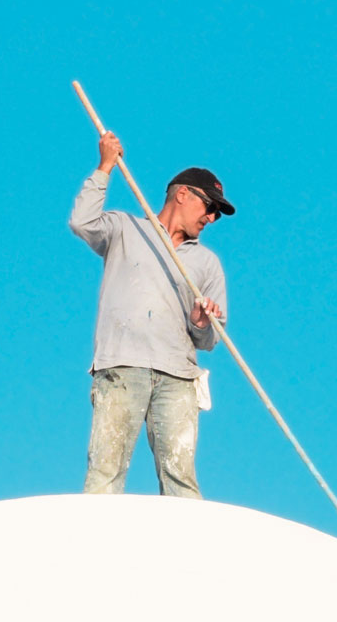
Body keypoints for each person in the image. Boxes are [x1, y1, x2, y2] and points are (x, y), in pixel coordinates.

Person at [69, 129, 234, 496]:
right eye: (209, 207)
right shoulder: (126, 229)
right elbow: (82, 222)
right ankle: (93, 549)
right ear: (182, 194)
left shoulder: (207, 263)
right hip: (121, 367)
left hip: (177, 377)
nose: (210, 218)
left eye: (216, 214)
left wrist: (201, 322)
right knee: (105, 474)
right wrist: (105, 167)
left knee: (181, 480)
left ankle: (187, 551)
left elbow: (209, 340)